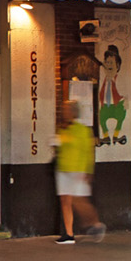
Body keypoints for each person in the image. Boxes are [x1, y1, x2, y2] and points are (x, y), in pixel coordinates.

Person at [53, 99, 105, 244]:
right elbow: (59, 147)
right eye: (64, 110)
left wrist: (88, 171)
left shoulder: (83, 130)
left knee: (79, 200)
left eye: (67, 110)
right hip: (63, 168)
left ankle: (96, 224)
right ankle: (69, 234)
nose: (65, 112)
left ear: (73, 112)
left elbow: (88, 152)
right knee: (65, 201)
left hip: (77, 169)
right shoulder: (62, 128)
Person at [96, 45, 128, 146]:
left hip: (116, 105)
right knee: (101, 117)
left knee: (121, 114)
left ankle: (115, 136)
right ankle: (106, 137)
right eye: (107, 62)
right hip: (106, 105)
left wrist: (125, 100)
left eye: (111, 63)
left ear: (117, 66)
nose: (108, 65)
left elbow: (123, 93)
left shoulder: (119, 81)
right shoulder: (104, 80)